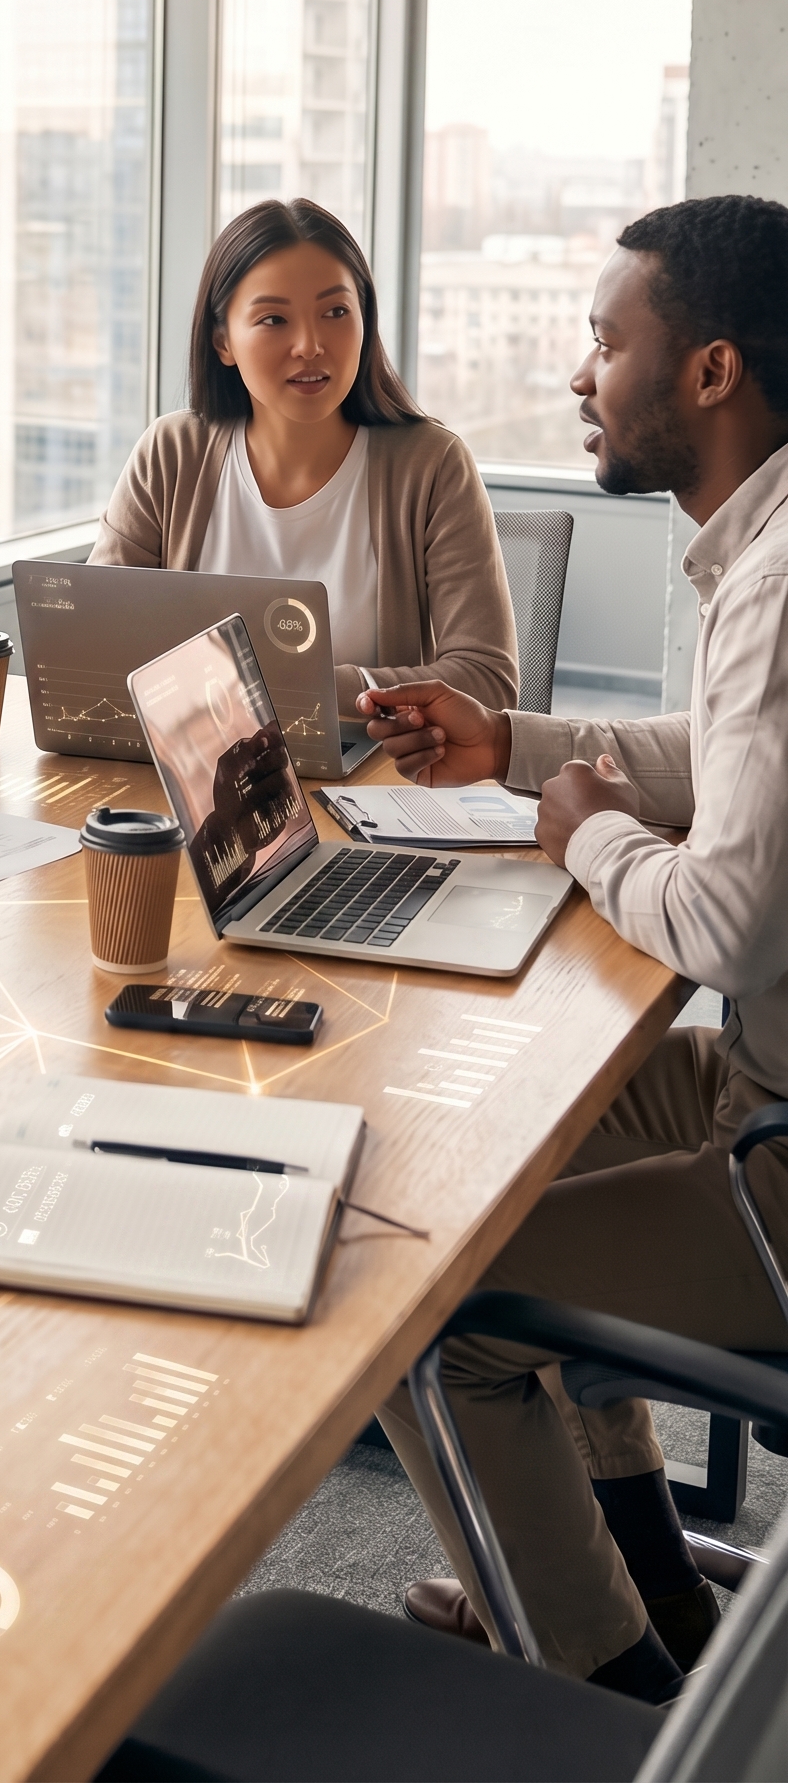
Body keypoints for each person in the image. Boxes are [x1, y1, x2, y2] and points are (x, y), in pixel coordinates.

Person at [362, 194, 788, 1705]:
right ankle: (635, 1587)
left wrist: (580, 833)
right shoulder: (769, 540)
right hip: (759, 1079)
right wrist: (520, 750)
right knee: (501, 1146)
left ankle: (603, 1695)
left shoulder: (782, 581)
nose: (581, 374)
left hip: (781, 1156)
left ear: (712, 372)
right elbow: (727, 766)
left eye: (609, 343)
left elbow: (723, 917)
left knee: (426, 1309)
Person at [91, 197, 518, 712]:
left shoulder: (431, 466)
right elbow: (96, 649)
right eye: (274, 319)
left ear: (366, 322)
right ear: (222, 341)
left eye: (336, 312)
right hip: (198, 777)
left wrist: (273, 687)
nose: (311, 345)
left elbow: (486, 681)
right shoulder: (171, 454)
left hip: (369, 783)